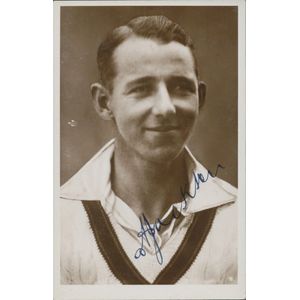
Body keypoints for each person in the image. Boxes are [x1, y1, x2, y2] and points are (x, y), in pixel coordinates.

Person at [60, 15, 237, 285]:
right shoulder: (59, 220)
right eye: (142, 89)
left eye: (181, 87)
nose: (166, 108)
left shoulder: (241, 219)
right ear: (104, 102)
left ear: (200, 97)